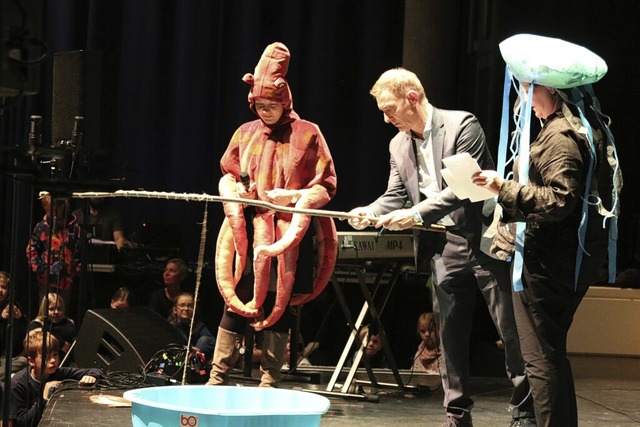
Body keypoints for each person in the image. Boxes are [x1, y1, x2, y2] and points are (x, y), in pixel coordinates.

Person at [346, 68, 532, 427]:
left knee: (509, 330)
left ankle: (525, 413)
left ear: (412, 97)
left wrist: (413, 214)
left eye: (389, 109)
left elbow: (462, 188)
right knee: (449, 336)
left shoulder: (462, 125)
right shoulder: (398, 144)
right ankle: (456, 415)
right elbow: (395, 195)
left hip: (483, 239)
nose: (386, 119)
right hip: (442, 246)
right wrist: (370, 212)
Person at [472, 82, 614, 426]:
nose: (524, 101)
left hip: (548, 262)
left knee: (540, 358)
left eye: (528, 90)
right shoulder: (582, 127)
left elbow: (559, 200)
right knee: (549, 353)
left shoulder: (561, 135)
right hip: (565, 260)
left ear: (550, 89)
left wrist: (502, 188)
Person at [206, 42, 337, 388]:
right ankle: (218, 375)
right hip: (248, 231)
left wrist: (293, 196)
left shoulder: (308, 133)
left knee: (283, 304)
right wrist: (238, 192)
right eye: (259, 105)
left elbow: (325, 183)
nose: (264, 111)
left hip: (289, 232)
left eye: (271, 105)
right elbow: (230, 172)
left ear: (285, 101)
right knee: (236, 301)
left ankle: (270, 377)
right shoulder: (245, 133)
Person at [11, 329, 101, 427]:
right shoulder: (18, 384)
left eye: (55, 354)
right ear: (32, 361)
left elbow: (96, 371)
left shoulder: (57, 372)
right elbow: (23, 423)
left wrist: (91, 376)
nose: (53, 360)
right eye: (46, 357)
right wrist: (44, 396)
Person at [26, 193, 81, 314]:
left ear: (63, 206)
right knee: (45, 312)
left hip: (66, 280)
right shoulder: (42, 227)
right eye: (49, 210)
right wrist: (40, 269)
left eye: (55, 209)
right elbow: (31, 250)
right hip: (46, 281)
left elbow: (79, 251)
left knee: (62, 312)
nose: (53, 213)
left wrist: (74, 270)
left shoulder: (74, 228)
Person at [28, 294, 76, 362]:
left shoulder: (68, 323)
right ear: (44, 310)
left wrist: (43, 332)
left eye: (59, 309)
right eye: (51, 309)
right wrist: (60, 343)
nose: (56, 312)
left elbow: (69, 333)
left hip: (66, 362)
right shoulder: (36, 324)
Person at [168, 292, 215, 359]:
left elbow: (211, 341)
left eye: (190, 306)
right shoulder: (172, 326)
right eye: (182, 305)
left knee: (205, 339)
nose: (186, 308)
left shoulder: (198, 325)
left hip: (194, 359)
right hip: (177, 358)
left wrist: (197, 350)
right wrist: (189, 348)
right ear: (175, 310)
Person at [0, 272, 28, 380]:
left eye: (3, 287)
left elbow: (27, 332)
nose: (0, 291)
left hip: (9, 358)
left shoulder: (13, 304)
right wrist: (1, 318)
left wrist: (20, 319)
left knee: (23, 362)